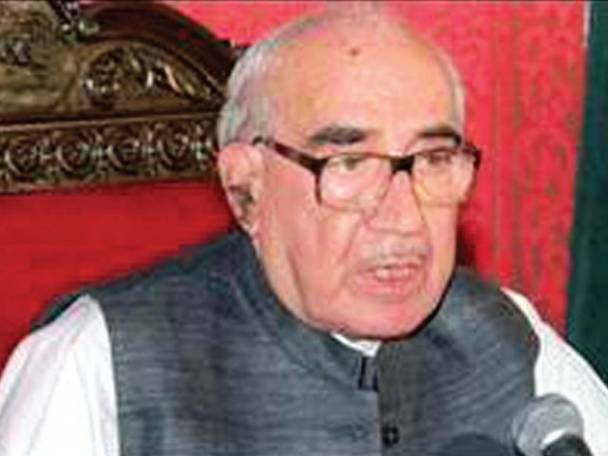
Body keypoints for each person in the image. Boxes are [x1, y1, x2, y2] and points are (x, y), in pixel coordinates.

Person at [1, 5, 607, 456]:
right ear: (247, 188)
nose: (403, 217)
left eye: (433, 160)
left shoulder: (502, 336)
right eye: (349, 164)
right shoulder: (98, 361)